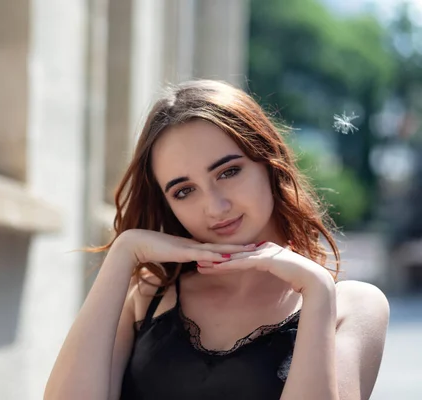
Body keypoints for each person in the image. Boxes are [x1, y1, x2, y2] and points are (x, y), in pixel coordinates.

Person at [44, 80, 389, 400]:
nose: (215, 207)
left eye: (228, 172)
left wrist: (317, 290)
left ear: (270, 163)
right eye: (184, 191)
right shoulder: (150, 295)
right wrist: (123, 252)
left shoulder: (351, 307)